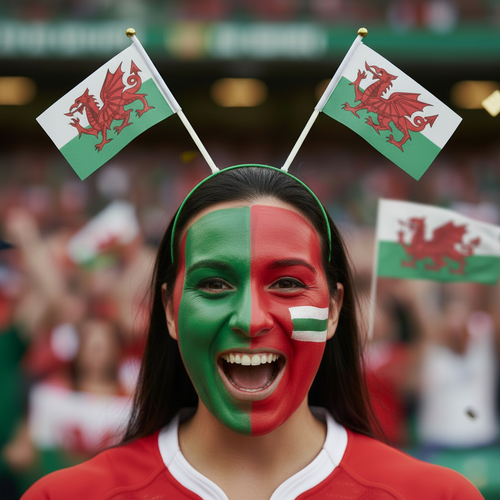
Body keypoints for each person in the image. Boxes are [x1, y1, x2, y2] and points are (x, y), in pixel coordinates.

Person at [21, 165, 483, 499]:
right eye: (215, 283)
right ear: (168, 308)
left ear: (334, 309)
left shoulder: (437, 495)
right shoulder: (66, 495)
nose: (250, 319)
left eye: (286, 283)